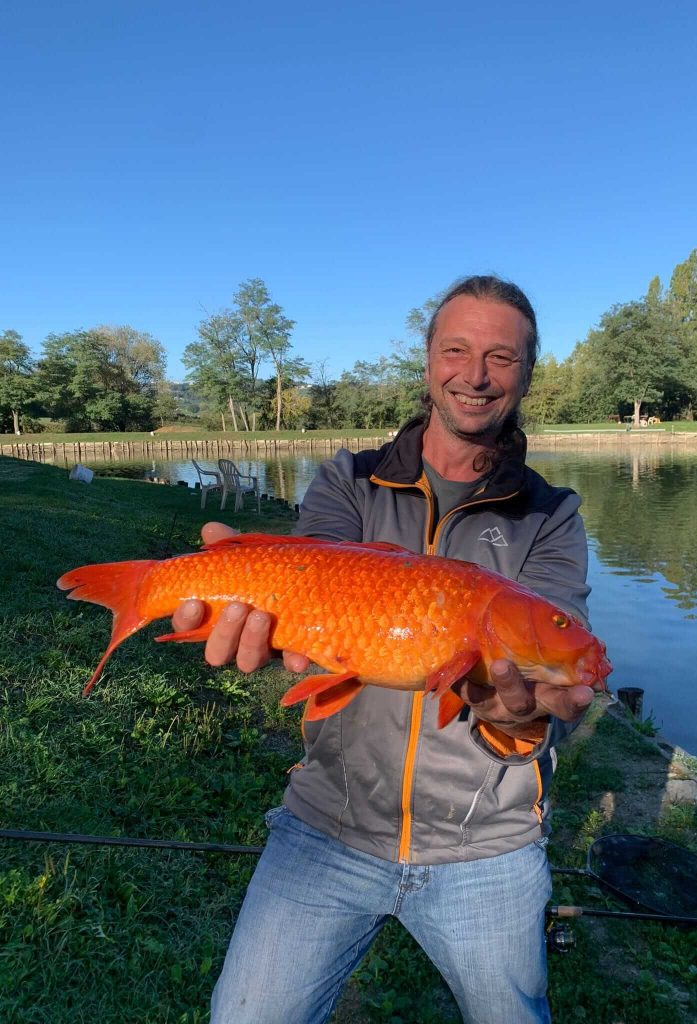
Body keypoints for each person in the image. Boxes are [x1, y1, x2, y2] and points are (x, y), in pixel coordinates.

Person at [173, 275, 597, 1024]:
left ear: (528, 373)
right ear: (428, 360)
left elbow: (550, 688)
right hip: (328, 827)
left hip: (486, 847)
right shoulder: (348, 479)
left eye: (501, 357)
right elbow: (305, 577)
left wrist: (521, 718)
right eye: (456, 350)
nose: (475, 375)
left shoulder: (550, 515)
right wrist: (252, 601)